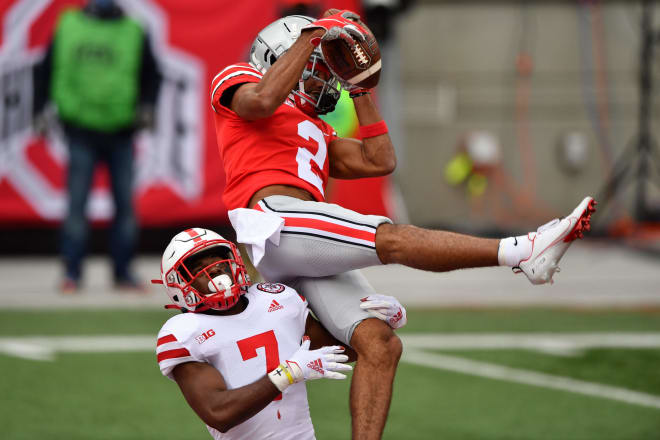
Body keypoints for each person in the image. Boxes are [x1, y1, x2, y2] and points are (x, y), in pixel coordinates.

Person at [210, 11, 596, 439]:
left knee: (379, 343)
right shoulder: (238, 77)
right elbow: (261, 101)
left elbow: (381, 159)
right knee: (389, 237)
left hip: (302, 242)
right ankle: (522, 252)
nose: (327, 77)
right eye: (319, 66)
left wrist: (359, 90)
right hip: (273, 220)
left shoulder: (316, 128)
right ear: (279, 55)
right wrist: (315, 33)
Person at [154, 227, 407, 439]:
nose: (215, 271)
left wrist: (381, 323)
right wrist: (288, 373)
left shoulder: (276, 299)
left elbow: (350, 350)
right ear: (178, 284)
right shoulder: (183, 333)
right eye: (198, 267)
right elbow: (219, 413)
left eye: (218, 262)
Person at [32, 0, 161, 293]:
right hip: (80, 128)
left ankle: (123, 272)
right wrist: (39, 108)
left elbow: (152, 74)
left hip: (121, 131)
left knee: (124, 208)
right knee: (77, 207)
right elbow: (45, 69)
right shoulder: (69, 25)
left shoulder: (133, 29)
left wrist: (148, 105)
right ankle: (72, 272)